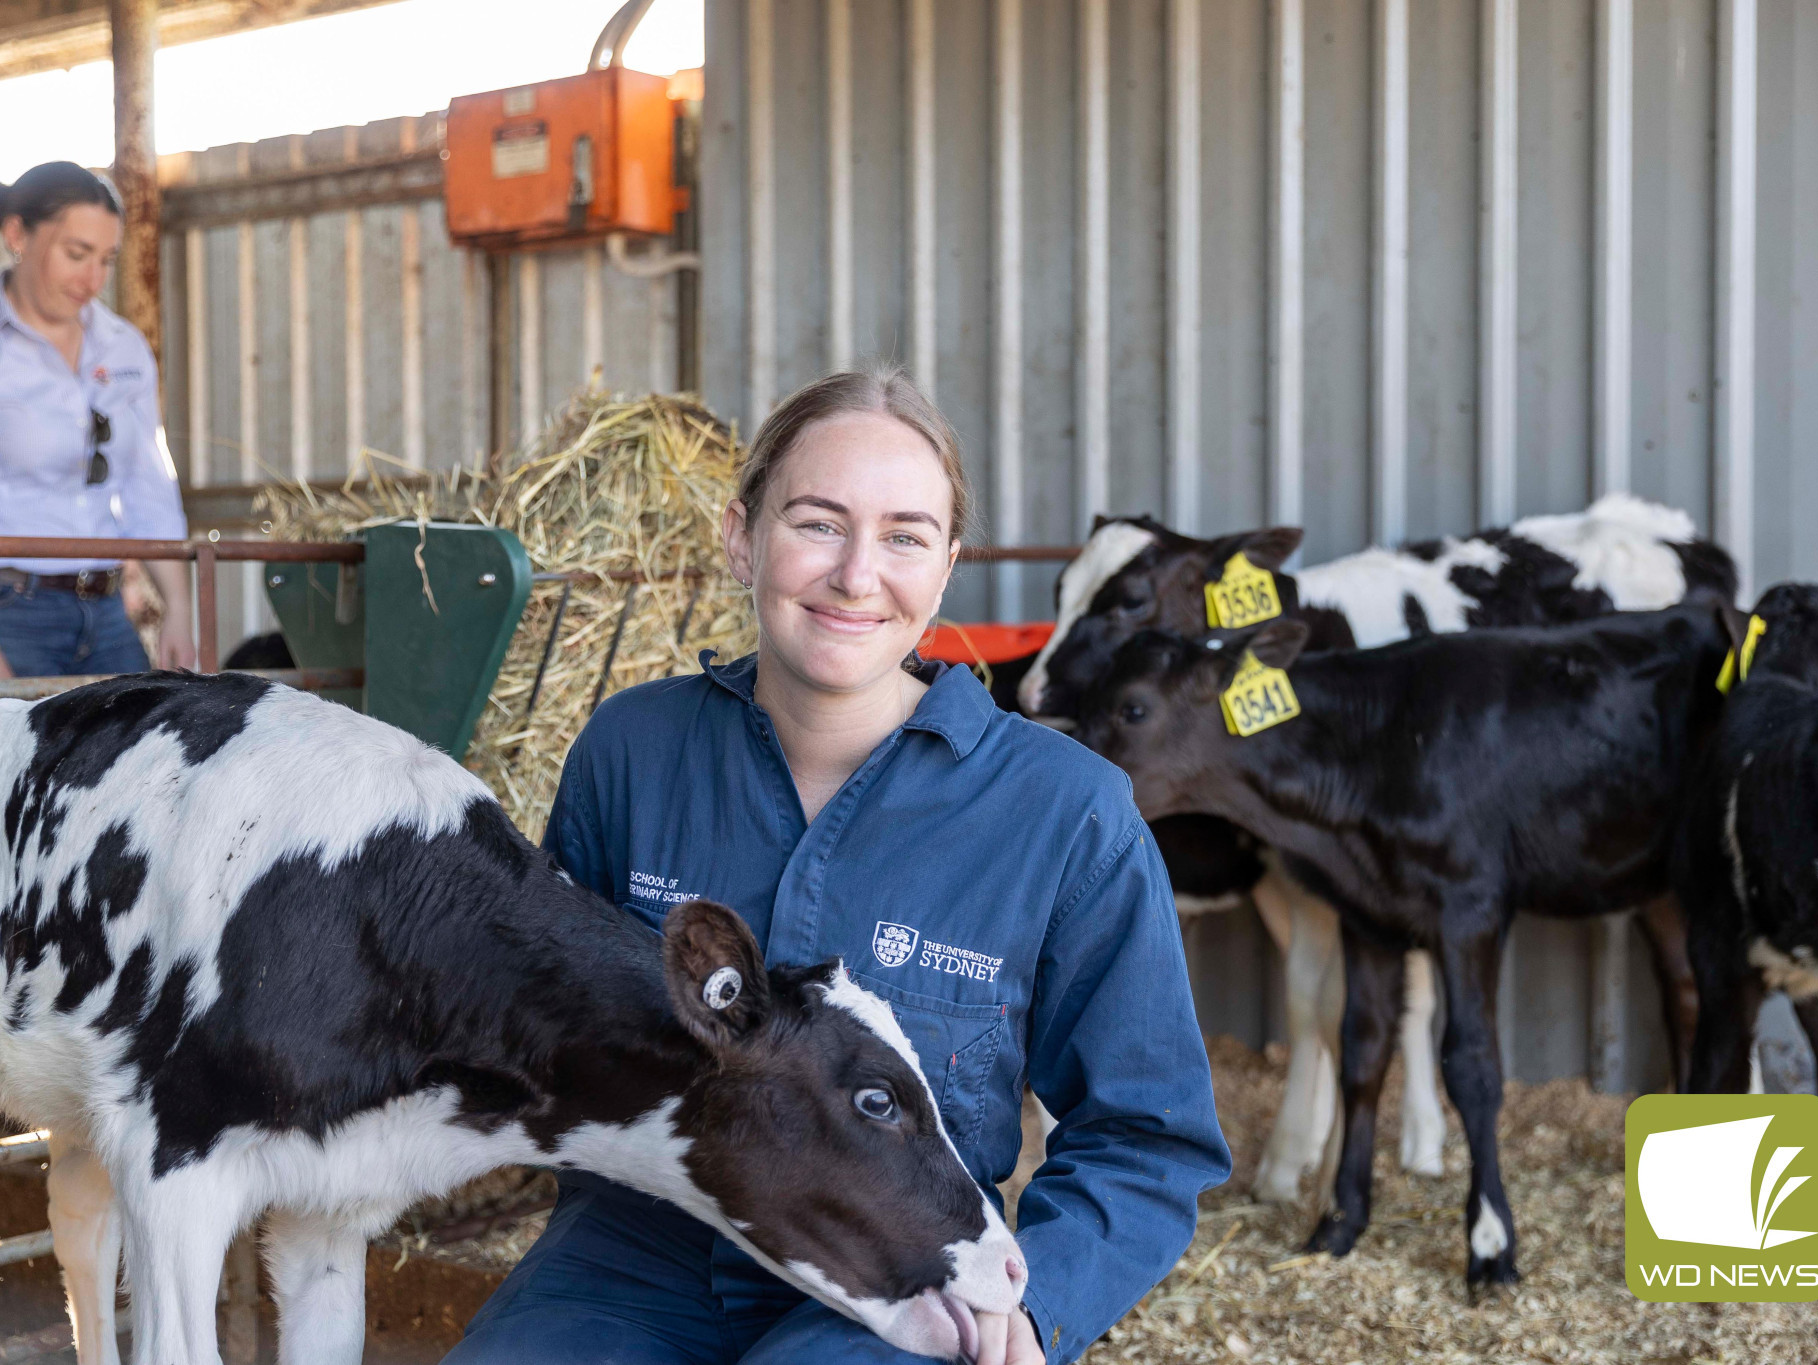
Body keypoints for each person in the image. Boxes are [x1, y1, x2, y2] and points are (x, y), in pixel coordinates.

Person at [446, 369, 1230, 1365]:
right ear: (741, 535)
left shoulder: (1065, 811)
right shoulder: (630, 754)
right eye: (816, 523)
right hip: (633, 1260)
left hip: (907, 1264)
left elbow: (1148, 1137)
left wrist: (1038, 1304)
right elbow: (544, 1040)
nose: (857, 576)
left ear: (945, 569)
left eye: (904, 536)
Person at [0, 161, 194, 730]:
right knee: (5, 795)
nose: (93, 277)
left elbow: (148, 481)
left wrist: (178, 609)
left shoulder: (123, 348)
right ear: (17, 237)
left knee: (142, 766)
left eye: (106, 259)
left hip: (105, 612)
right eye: (76, 254)